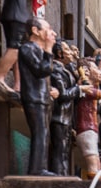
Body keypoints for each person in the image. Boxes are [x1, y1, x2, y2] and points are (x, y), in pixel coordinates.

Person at [18, 16, 59, 176]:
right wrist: (49, 49)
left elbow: (42, 75)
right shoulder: (28, 48)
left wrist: (50, 89)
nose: (52, 33)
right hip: (34, 98)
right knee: (40, 133)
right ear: (35, 31)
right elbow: (41, 70)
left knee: (44, 133)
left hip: (42, 98)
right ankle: (37, 169)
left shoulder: (38, 51)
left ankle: (40, 167)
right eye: (47, 29)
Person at [48, 40, 87, 175]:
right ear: (59, 53)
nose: (71, 53)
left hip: (66, 117)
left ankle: (62, 176)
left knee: (64, 152)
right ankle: (58, 177)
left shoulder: (65, 71)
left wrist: (79, 87)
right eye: (67, 50)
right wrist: (79, 88)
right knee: (59, 151)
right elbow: (63, 94)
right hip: (59, 116)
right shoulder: (56, 71)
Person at [0, 0, 31, 90]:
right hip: (16, 14)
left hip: (19, 14)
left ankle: (18, 84)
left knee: (19, 52)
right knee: (15, 49)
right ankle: (0, 77)